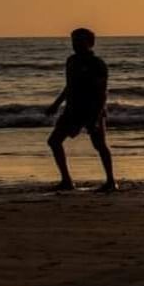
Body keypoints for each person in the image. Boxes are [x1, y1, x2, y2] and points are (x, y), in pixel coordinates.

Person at [45, 27, 116, 192]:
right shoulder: (71, 61)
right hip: (72, 110)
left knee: (99, 145)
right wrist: (56, 104)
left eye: (79, 41)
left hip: (92, 109)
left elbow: (102, 92)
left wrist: (96, 116)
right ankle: (66, 180)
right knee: (54, 141)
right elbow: (69, 86)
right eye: (73, 41)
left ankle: (111, 181)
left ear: (90, 43)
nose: (75, 44)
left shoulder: (97, 64)